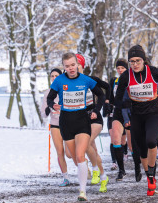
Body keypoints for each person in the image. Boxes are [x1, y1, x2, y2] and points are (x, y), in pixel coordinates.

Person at [114, 45, 158, 196]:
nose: (135, 64)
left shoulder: (153, 71)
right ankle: (149, 177)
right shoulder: (125, 76)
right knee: (141, 150)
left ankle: (151, 177)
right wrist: (124, 105)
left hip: (154, 113)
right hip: (137, 115)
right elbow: (118, 98)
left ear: (143, 60)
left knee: (151, 141)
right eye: (131, 61)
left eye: (138, 60)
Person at [47, 52, 104, 201]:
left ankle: (82, 192)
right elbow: (49, 98)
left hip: (82, 121)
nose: (71, 68)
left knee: (80, 155)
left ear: (77, 65)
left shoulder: (86, 80)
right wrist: (53, 105)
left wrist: (96, 111)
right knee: (74, 157)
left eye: (73, 65)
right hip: (66, 123)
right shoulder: (59, 80)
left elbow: (102, 95)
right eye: (67, 66)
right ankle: (88, 175)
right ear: (64, 67)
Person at [75, 54, 109, 193]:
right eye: (71, 64)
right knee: (92, 150)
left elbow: (107, 88)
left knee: (87, 143)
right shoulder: (69, 83)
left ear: (82, 66)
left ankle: (95, 170)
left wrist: (104, 104)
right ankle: (103, 176)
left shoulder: (91, 80)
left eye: (77, 64)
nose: (74, 66)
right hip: (81, 119)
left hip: (94, 117)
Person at [40, 68, 71, 186]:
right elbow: (43, 114)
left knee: (69, 153)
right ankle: (66, 178)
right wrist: (48, 109)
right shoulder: (48, 93)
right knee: (60, 152)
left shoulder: (66, 89)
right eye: (52, 76)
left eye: (56, 76)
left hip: (68, 124)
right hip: (55, 125)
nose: (54, 78)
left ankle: (85, 167)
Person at [107, 58, 130, 181]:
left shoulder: (132, 79)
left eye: (123, 68)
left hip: (130, 112)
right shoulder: (114, 81)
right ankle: (121, 170)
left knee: (130, 143)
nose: (120, 70)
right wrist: (108, 106)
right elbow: (110, 96)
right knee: (115, 139)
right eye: (118, 68)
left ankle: (139, 164)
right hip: (117, 112)